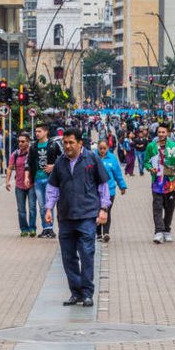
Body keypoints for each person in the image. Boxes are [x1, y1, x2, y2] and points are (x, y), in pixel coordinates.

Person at [44, 129, 111, 307]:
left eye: (71, 142)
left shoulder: (92, 159)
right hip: (65, 216)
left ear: (80, 143)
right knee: (68, 257)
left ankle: (88, 293)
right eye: (65, 143)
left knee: (87, 254)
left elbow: (103, 185)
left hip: (87, 216)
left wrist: (103, 209)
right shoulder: (60, 162)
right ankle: (76, 292)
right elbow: (53, 188)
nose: (67, 146)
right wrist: (48, 208)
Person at [143, 122, 175, 244]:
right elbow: (146, 162)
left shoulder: (174, 146)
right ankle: (158, 231)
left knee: (170, 208)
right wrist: (150, 168)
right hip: (157, 183)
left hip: (170, 182)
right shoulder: (151, 146)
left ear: (168, 133)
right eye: (159, 132)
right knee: (157, 207)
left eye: (163, 132)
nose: (161, 134)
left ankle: (167, 230)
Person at [27, 126, 62, 239]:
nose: (37, 133)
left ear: (46, 132)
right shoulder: (33, 146)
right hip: (37, 179)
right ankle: (45, 228)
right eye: (36, 131)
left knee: (49, 204)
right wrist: (28, 177)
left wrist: (53, 166)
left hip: (50, 179)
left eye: (39, 131)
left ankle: (50, 228)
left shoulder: (53, 144)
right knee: (42, 206)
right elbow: (29, 162)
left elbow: (62, 158)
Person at [96, 139, 127, 242]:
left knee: (106, 211)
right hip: (96, 191)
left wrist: (122, 186)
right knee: (97, 212)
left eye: (104, 148)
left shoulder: (112, 159)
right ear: (97, 148)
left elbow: (118, 174)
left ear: (108, 148)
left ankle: (106, 232)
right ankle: (98, 233)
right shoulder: (94, 158)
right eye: (100, 148)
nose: (102, 150)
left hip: (110, 191)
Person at [6, 135, 38, 237]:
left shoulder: (33, 153)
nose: (20, 143)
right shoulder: (15, 154)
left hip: (32, 185)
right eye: (19, 141)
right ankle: (24, 228)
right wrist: (7, 181)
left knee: (32, 208)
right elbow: (10, 168)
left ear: (28, 142)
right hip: (19, 185)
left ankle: (32, 228)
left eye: (23, 141)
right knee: (21, 209)